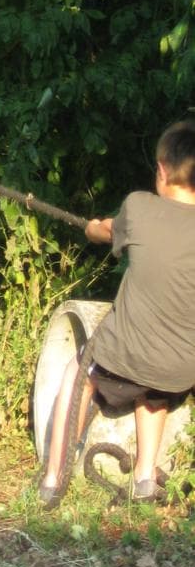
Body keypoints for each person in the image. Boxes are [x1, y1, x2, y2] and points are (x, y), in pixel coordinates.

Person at [39, 119, 195, 506]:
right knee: (154, 391)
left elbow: (103, 232)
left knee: (79, 372)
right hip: (181, 371)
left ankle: (52, 481)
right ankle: (144, 477)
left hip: (120, 357)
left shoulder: (138, 207)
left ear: (161, 170)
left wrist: (92, 227)